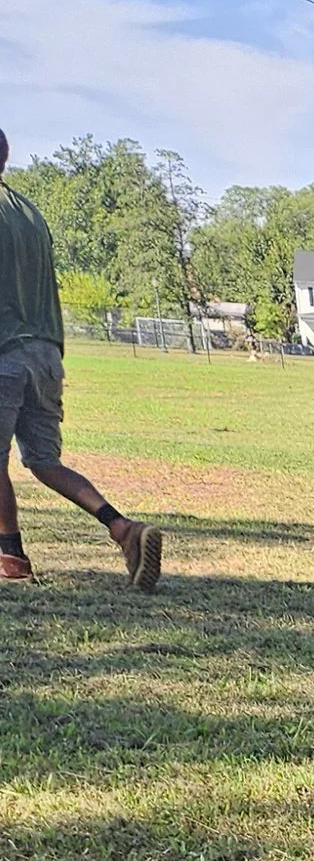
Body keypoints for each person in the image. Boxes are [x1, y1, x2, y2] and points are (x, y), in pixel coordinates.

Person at [0, 129, 163, 592]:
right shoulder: (30, 213)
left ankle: (10, 556)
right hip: (46, 351)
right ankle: (122, 528)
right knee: (44, 460)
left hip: (4, 351)